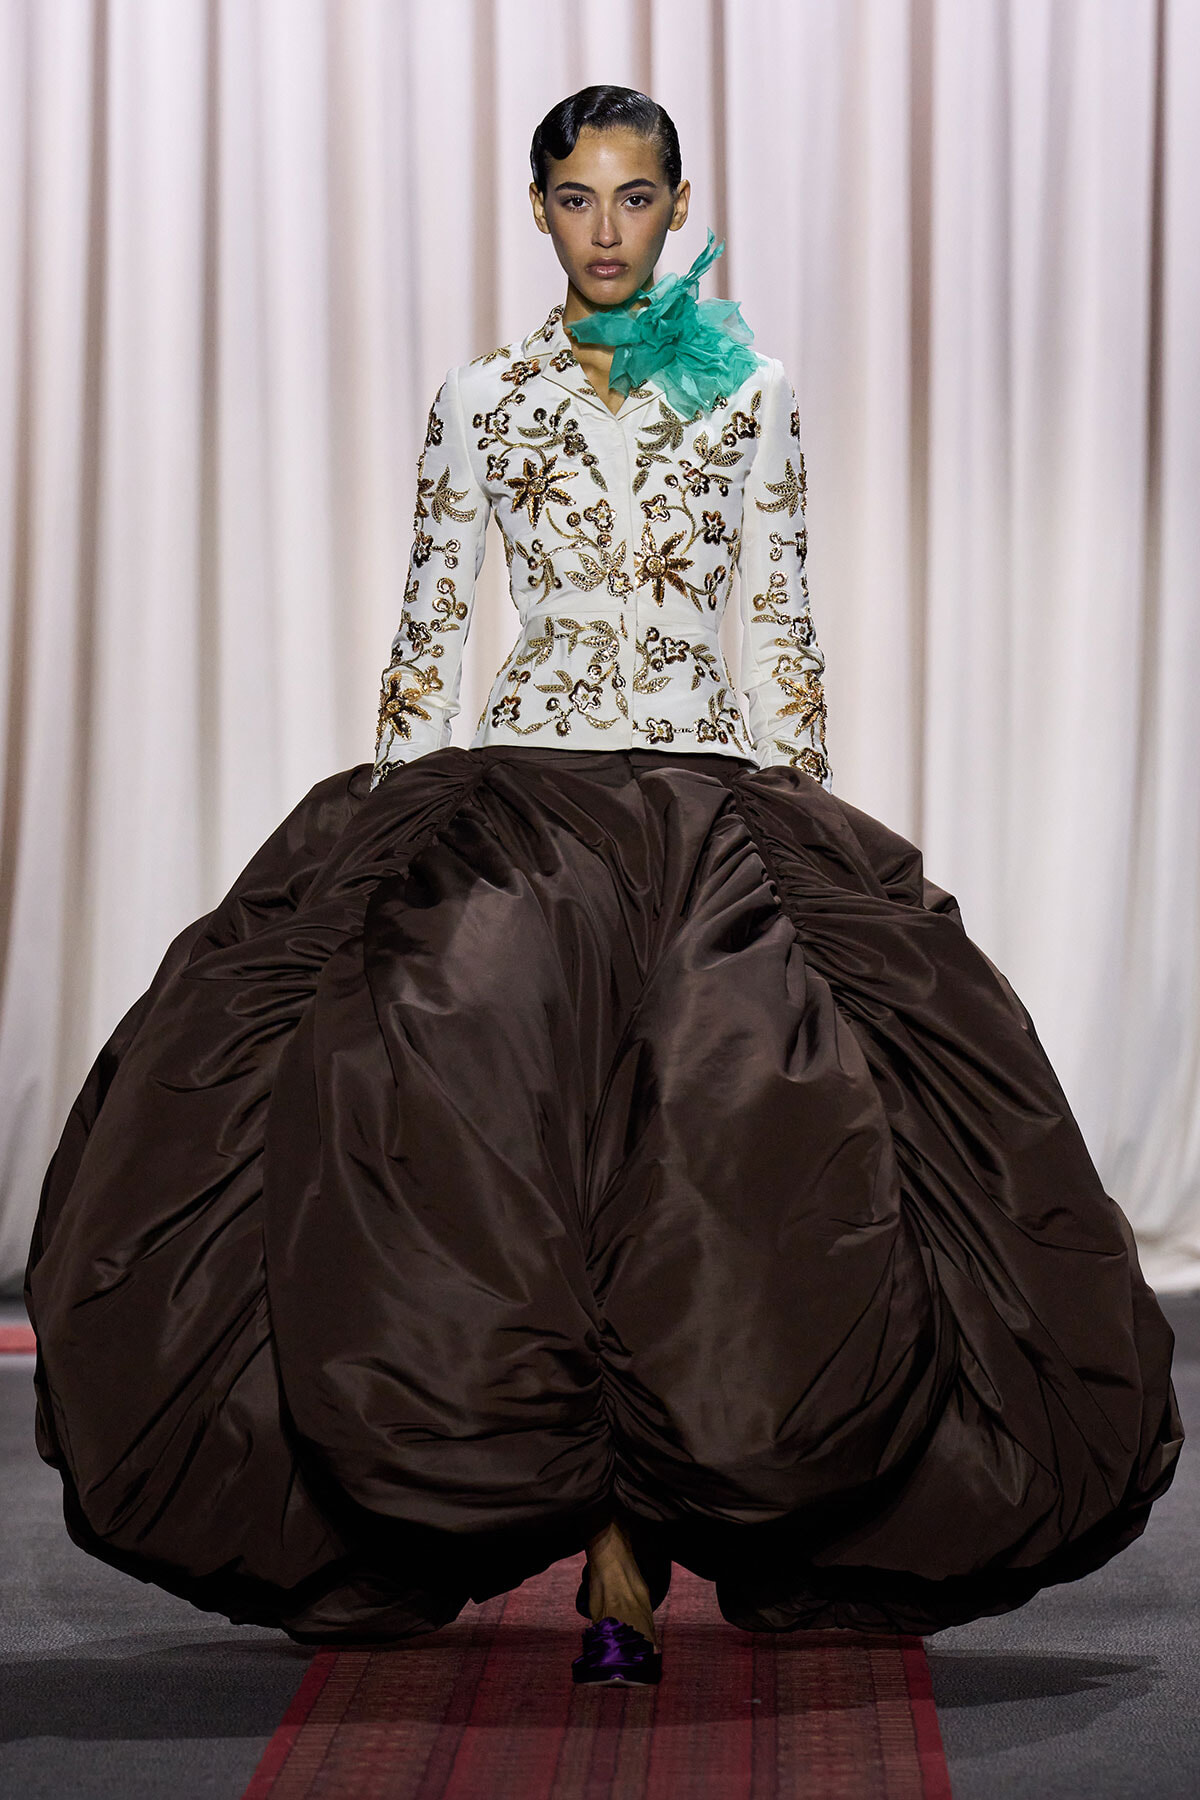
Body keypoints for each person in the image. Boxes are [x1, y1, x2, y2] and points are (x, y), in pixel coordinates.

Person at [25, 86, 1183, 1691]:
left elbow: (778, 613)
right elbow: (435, 616)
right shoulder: (481, 397)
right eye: (577, 199)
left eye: (636, 199)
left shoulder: (753, 391)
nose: (608, 230)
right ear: (538, 208)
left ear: (679, 201)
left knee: (723, 1164)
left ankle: (654, 1543)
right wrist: (381, 812)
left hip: (709, 797)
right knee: (480, 1153)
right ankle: (529, 1513)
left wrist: (808, 817)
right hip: (519, 797)